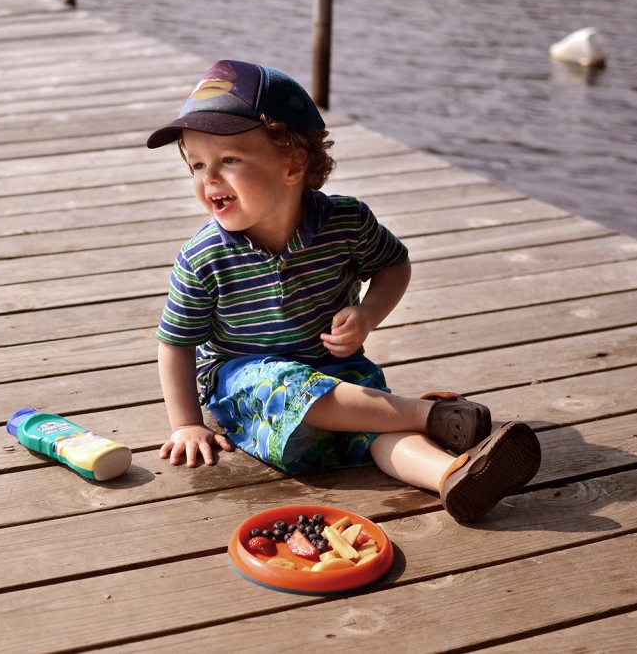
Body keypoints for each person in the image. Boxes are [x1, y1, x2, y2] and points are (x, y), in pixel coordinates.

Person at [147, 60, 541, 523]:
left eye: (229, 160)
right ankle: (432, 415)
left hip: (336, 372)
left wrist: (369, 313)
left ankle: (453, 476)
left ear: (293, 164)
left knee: (377, 427)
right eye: (197, 164)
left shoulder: (346, 222)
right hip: (245, 379)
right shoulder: (205, 257)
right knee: (294, 386)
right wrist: (187, 423)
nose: (208, 178)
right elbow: (176, 343)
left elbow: (393, 264)